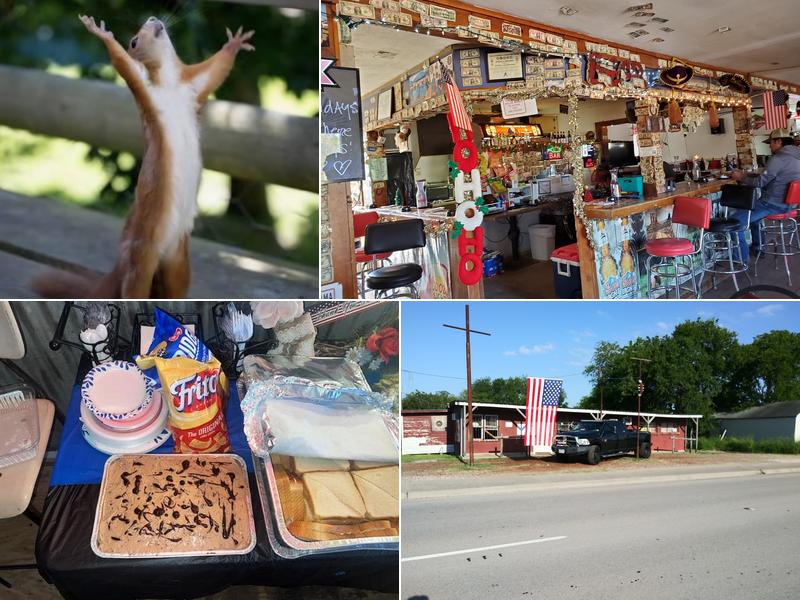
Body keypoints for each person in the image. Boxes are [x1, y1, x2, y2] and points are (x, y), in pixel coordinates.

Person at [730, 128, 800, 262]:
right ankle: (758, 247)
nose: (769, 146)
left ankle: (740, 260)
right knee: (755, 218)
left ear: (779, 142)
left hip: (773, 205)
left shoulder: (778, 158)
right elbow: (775, 177)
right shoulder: (797, 156)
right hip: (791, 205)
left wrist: (741, 178)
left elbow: (760, 183)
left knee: (735, 222)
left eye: (771, 142)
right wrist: (746, 174)